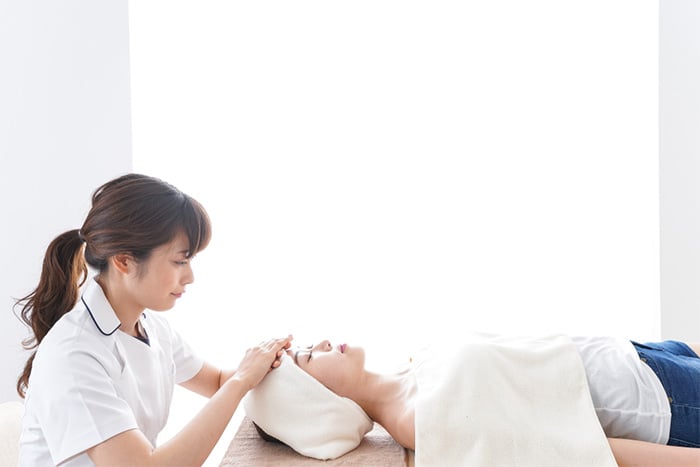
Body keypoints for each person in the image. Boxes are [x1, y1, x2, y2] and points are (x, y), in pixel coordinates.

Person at [15, 173, 293, 466]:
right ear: (124, 260)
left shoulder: (151, 328)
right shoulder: (72, 354)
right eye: (179, 261)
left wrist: (273, 363)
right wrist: (240, 381)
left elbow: (218, 382)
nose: (190, 277)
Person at [262, 336, 700, 467]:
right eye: (308, 357)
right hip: (661, 400)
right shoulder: (419, 421)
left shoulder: (409, 372)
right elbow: (572, 451)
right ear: (314, 398)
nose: (320, 342)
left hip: (641, 356)